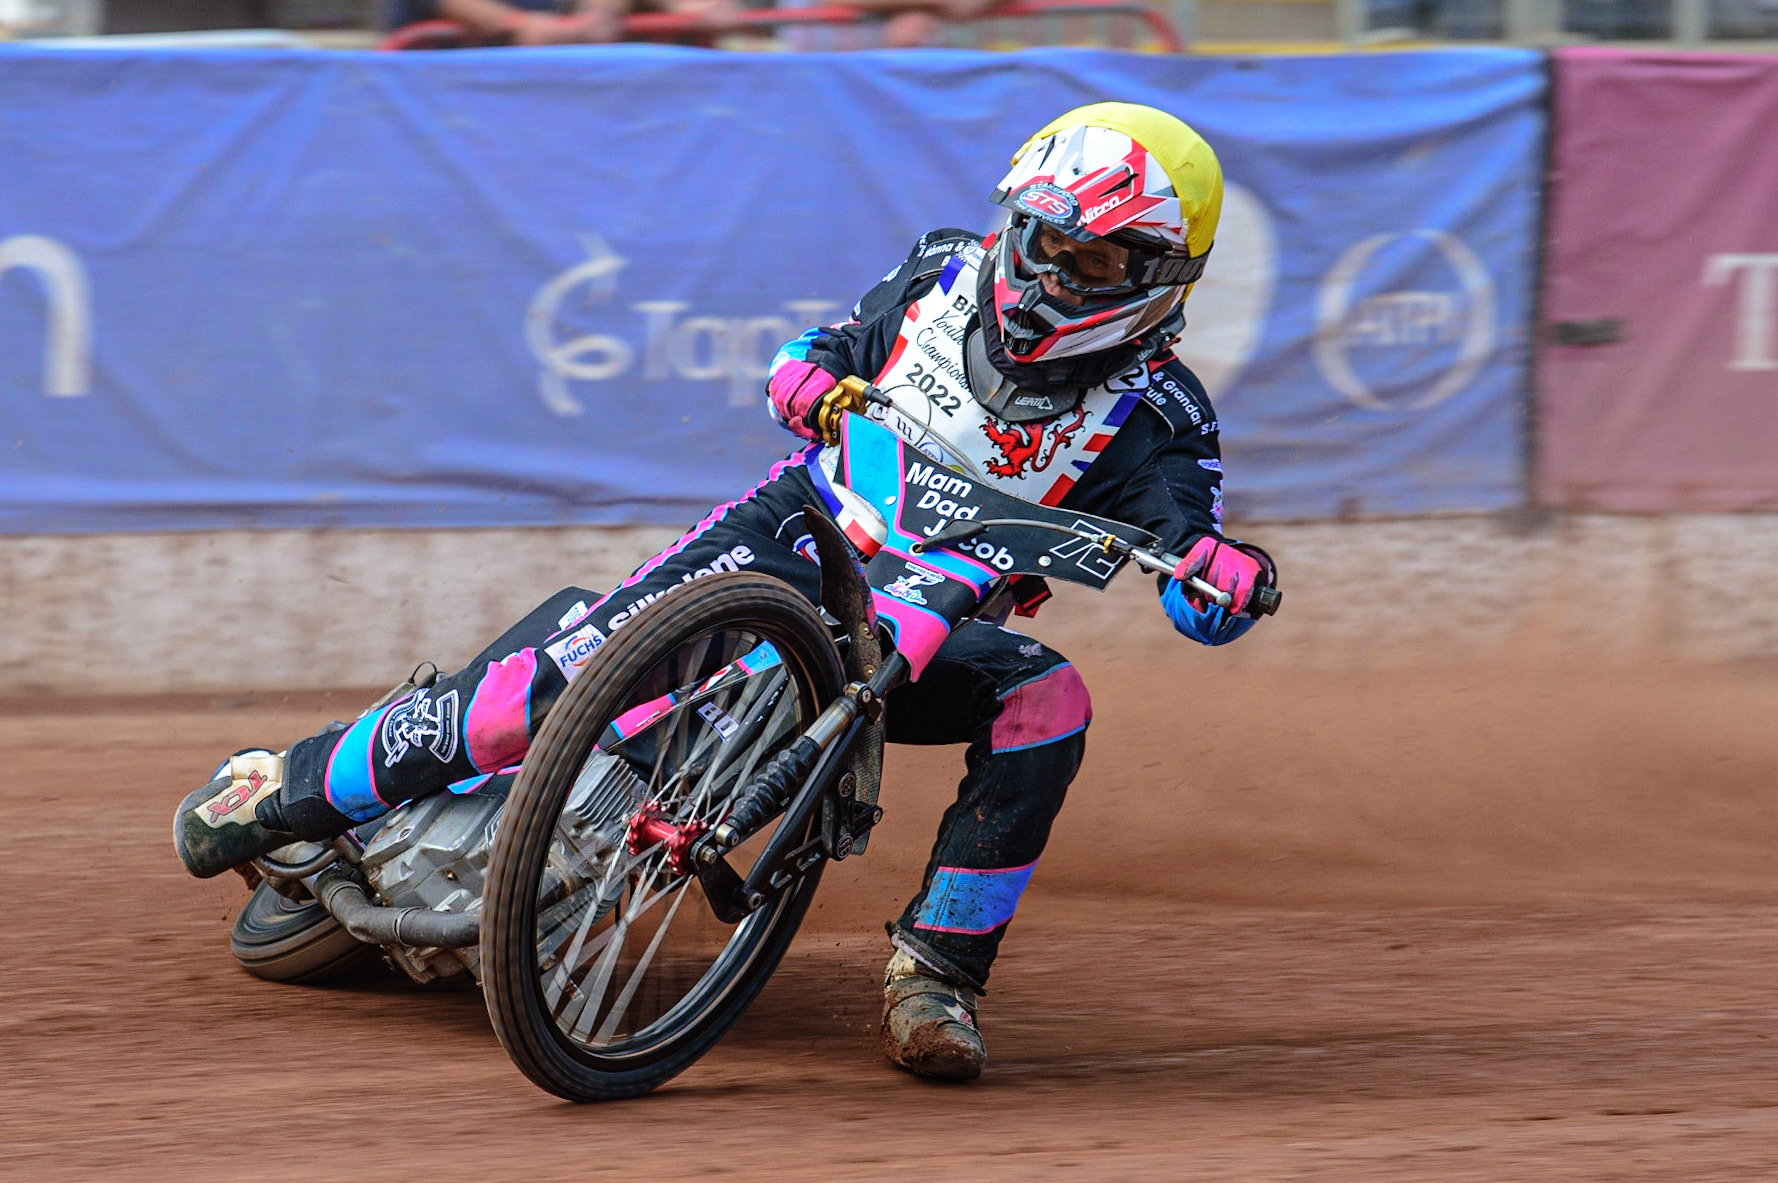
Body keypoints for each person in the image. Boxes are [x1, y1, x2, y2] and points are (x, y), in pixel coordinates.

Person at [174, 102, 1276, 1082]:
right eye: (1041, 242)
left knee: (1047, 698)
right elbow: (818, 348)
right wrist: (806, 380)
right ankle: (285, 789)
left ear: (1156, 280)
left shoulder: (1163, 417)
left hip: (930, 612)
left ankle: (936, 974)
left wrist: (1217, 582)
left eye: (1091, 264)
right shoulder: (944, 268)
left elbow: (1193, 562)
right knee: (538, 693)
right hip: (795, 531)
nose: (1048, 280)